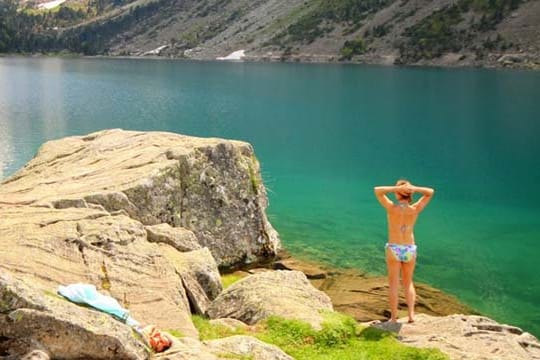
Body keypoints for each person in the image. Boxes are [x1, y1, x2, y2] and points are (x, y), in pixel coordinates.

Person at [374, 180, 434, 323]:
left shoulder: (391, 208)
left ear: (397, 193)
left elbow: (377, 190)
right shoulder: (415, 209)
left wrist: (397, 188)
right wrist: (413, 188)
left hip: (394, 248)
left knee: (394, 283)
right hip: (409, 249)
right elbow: (430, 192)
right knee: (408, 282)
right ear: (409, 194)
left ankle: (394, 318)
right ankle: (411, 316)